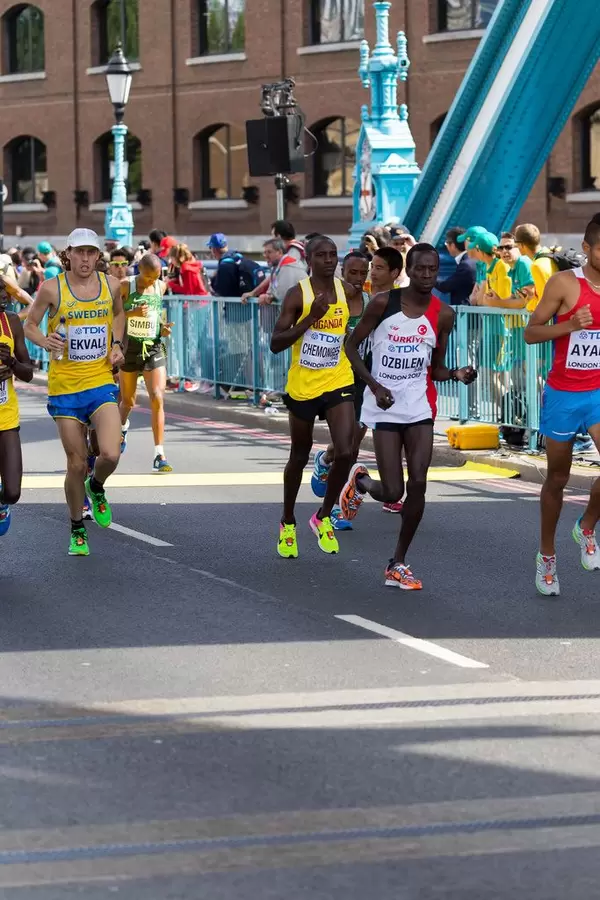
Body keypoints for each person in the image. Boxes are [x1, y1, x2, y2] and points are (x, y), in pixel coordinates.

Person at [343, 243, 477, 589]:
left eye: (433, 270)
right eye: (420, 269)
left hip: (418, 407)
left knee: (419, 481)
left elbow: (437, 369)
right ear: (409, 270)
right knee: (391, 492)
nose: (428, 275)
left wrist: (457, 374)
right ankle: (360, 483)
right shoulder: (382, 304)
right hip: (384, 406)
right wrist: (373, 385)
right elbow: (351, 347)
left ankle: (398, 562)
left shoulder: (443, 314)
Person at [24, 228, 126, 556]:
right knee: (76, 463)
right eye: (79, 252)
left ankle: (96, 488)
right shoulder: (52, 288)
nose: (85, 259)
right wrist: (44, 340)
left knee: (110, 453)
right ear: (67, 254)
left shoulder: (110, 285)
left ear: (98, 256)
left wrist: (116, 344)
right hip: (65, 387)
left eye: (91, 253)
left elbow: (119, 314)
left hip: (99, 381)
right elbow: (30, 324)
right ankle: (77, 527)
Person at [270, 235, 363, 557]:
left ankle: (323, 515)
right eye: (321, 255)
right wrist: (311, 318)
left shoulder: (347, 291)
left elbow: (356, 324)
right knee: (299, 454)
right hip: (303, 385)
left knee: (347, 450)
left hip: (338, 378)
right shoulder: (299, 295)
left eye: (332, 254)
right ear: (309, 260)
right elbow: (276, 342)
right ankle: (287, 521)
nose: (328, 259)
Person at [524, 215, 600, 597]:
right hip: (564, 395)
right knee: (557, 478)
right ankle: (547, 555)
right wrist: (570, 325)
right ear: (586, 249)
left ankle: (586, 526)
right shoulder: (564, 284)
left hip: (599, 392)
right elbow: (531, 333)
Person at [312, 248, 405, 526]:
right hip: (332, 379)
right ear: (342, 271)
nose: (358, 277)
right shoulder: (330, 299)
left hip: (363, 380)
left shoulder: (369, 302)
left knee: (350, 444)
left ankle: (327, 468)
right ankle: (337, 506)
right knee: (346, 443)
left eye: (362, 273)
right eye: (353, 272)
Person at [118, 253, 174, 472]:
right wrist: (131, 312)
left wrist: (163, 328)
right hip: (130, 348)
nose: (153, 281)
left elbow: (157, 315)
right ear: (140, 270)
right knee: (128, 401)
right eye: (149, 277)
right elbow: (114, 315)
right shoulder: (126, 286)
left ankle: (159, 454)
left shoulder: (161, 287)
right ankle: (122, 428)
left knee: (157, 396)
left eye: (157, 277)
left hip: (153, 346)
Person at [0, 298, 34, 535]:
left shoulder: (10, 322)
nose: (4, 297)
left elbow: (28, 372)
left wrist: (11, 362)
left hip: (6, 418)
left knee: (12, 492)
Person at [515, 223, 558, 311]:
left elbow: (544, 303)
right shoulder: (549, 254)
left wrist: (529, 304)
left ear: (522, 245)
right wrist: (534, 294)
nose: (516, 246)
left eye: (516, 243)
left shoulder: (537, 266)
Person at [436, 226, 477, 306]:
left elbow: (445, 286)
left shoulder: (466, 266)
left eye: (447, 243)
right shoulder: (472, 261)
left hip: (466, 315)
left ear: (453, 245)